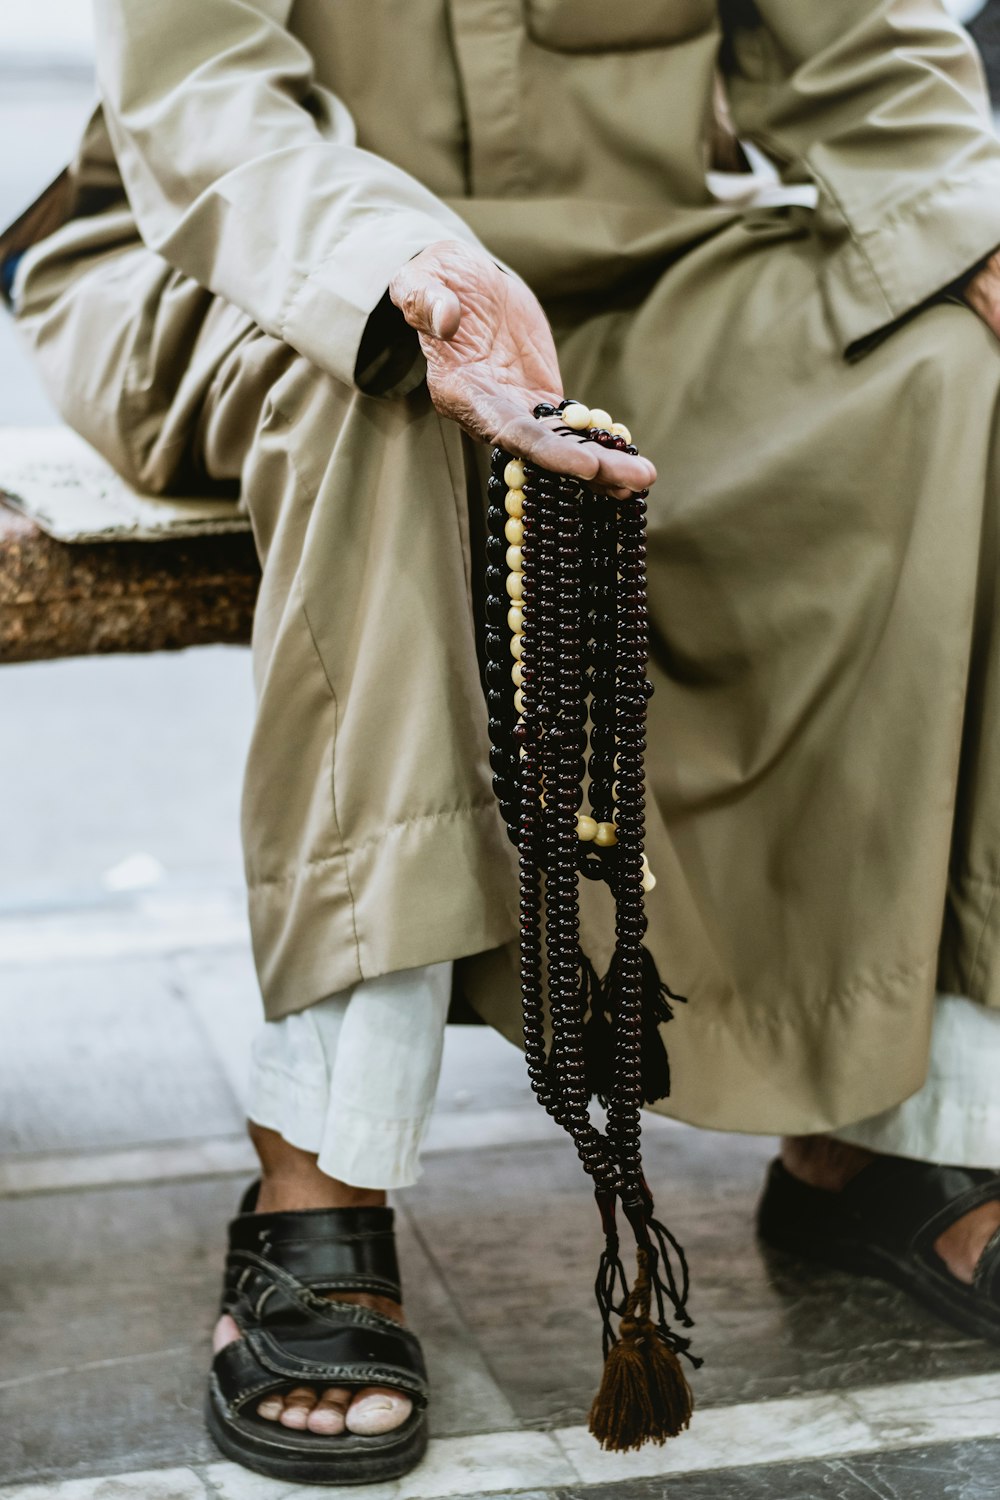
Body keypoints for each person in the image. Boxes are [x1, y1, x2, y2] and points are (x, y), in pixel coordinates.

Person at [4, 0, 1000, 1484]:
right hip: (242, 249)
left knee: (952, 373)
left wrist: (974, 235)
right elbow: (205, 97)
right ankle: (318, 1183)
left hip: (642, 259)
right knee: (384, 384)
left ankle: (886, 1126)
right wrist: (394, 269)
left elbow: (862, 51)